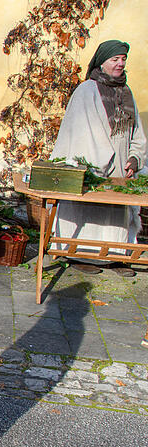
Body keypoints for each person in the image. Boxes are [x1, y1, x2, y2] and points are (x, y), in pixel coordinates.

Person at [50, 39, 147, 277]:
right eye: (115, 59)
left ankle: (114, 255)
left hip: (120, 163)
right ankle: (80, 254)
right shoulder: (87, 91)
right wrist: (103, 162)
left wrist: (134, 157)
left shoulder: (126, 91)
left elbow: (136, 130)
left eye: (123, 59)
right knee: (90, 208)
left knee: (114, 212)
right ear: (102, 63)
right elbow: (85, 132)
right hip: (96, 162)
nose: (120, 64)